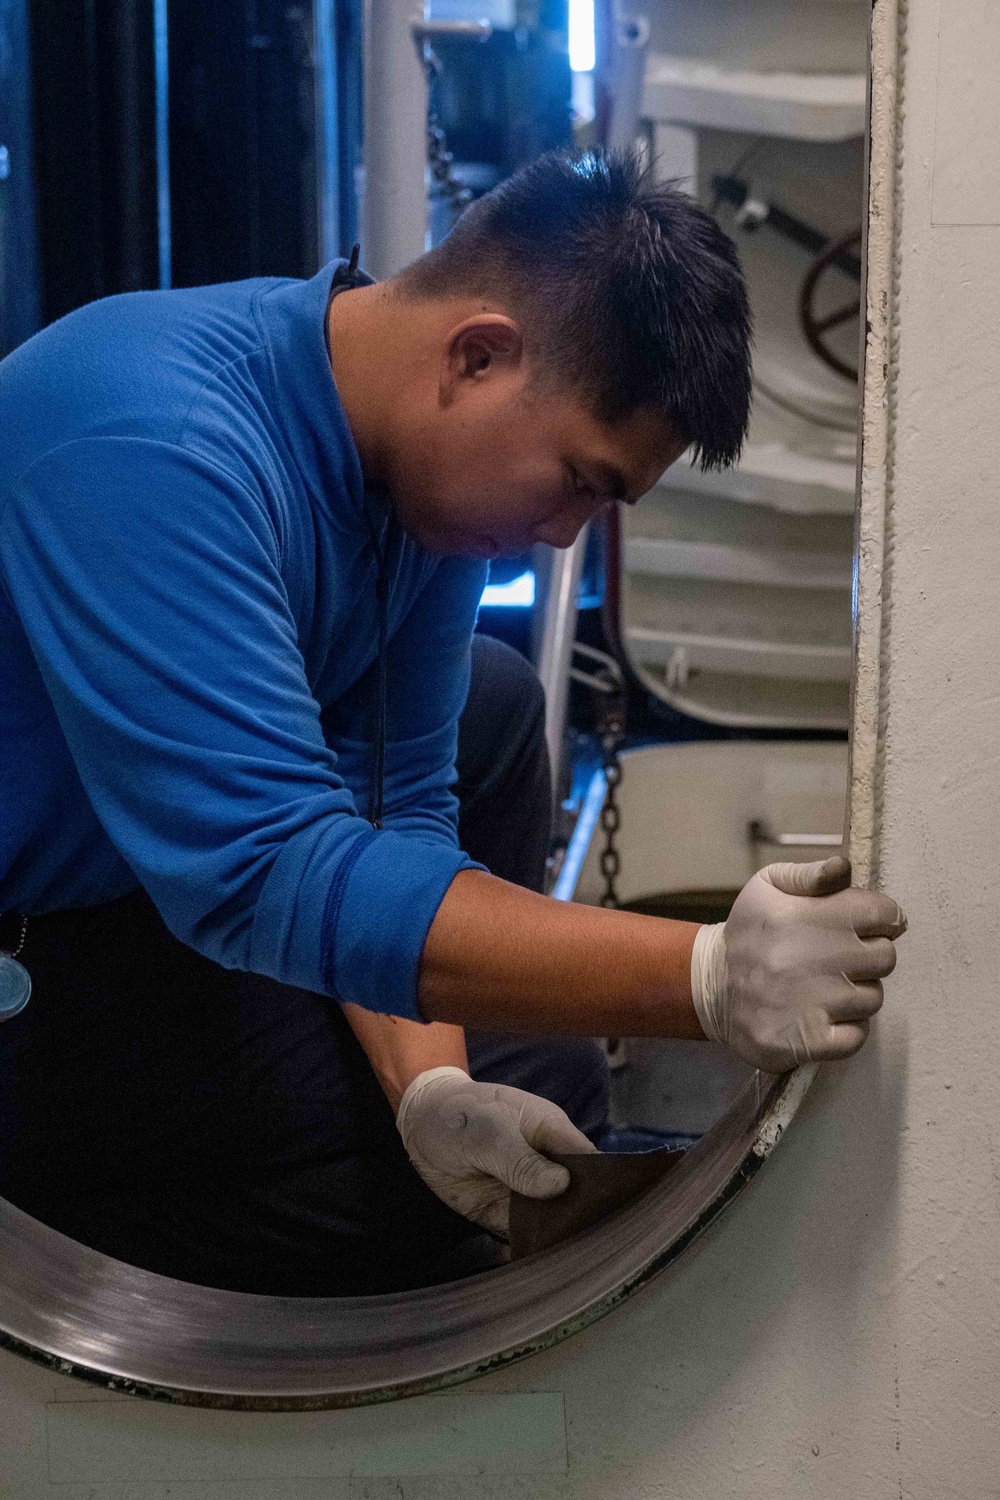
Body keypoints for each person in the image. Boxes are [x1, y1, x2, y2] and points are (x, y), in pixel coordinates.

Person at [0, 150, 906, 1295]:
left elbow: (399, 805)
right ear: (477, 356)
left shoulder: (409, 485)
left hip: (144, 895)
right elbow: (264, 873)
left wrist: (429, 1090)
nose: (563, 535)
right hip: (38, 950)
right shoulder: (146, 440)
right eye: (579, 480)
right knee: (408, 1211)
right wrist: (708, 977)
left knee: (529, 1079)